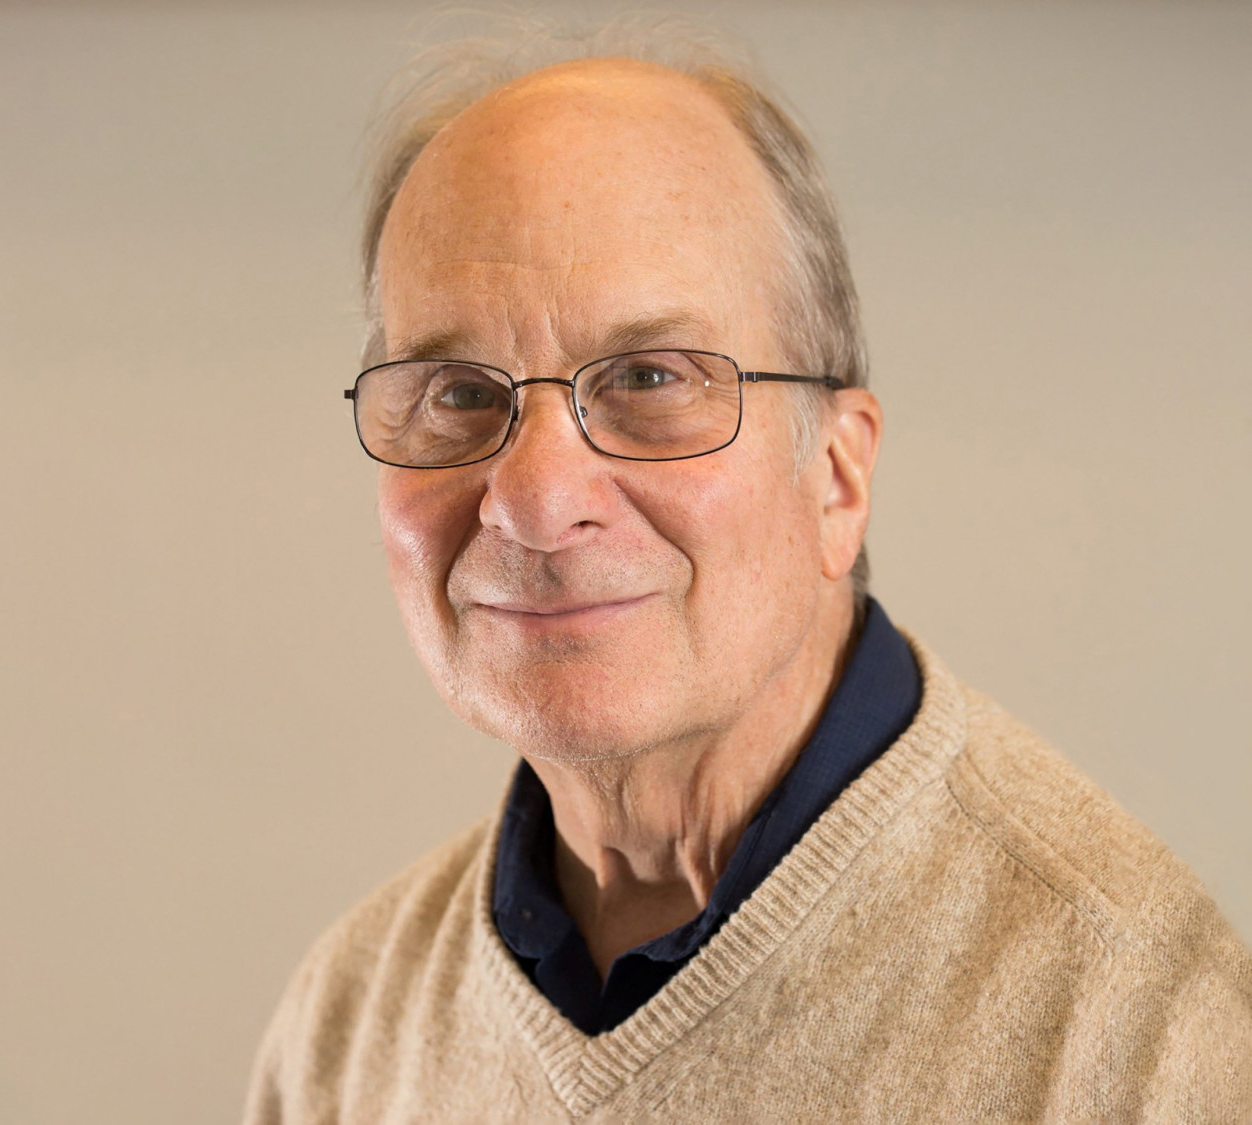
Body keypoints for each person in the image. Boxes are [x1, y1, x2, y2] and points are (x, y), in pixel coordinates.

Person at [243, 26, 1252, 1123]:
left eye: (647, 376)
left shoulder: (1140, 1040)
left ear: (835, 474)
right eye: (456, 393)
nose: (532, 498)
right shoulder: (348, 1027)